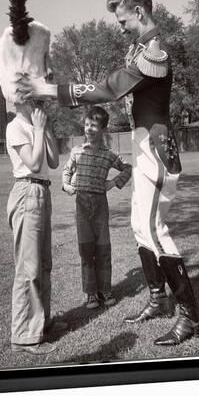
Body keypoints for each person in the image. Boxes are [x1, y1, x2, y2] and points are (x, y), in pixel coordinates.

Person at [26, 0, 199, 345]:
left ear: (139, 12)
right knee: (140, 227)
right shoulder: (141, 47)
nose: (121, 26)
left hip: (155, 150)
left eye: (124, 20)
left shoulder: (154, 50)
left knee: (154, 229)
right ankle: (158, 299)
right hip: (144, 149)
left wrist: (51, 90)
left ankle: (193, 316)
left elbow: (109, 89)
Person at [0, 0, 65, 356]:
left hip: (42, 192)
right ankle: (24, 335)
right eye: (34, 96)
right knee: (29, 267)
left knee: (45, 263)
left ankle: (43, 321)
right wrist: (39, 131)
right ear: (22, 95)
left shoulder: (35, 121)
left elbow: (53, 162)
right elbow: (35, 160)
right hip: (26, 194)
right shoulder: (14, 127)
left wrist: (47, 128)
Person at [63, 106, 132, 310]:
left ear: (102, 129)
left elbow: (128, 168)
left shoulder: (109, 155)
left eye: (94, 125)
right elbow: (66, 172)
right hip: (82, 206)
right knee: (86, 249)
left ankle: (105, 290)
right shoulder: (77, 151)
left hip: (100, 205)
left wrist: (113, 183)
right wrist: (66, 185)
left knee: (103, 248)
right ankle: (91, 293)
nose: (89, 129)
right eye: (86, 125)